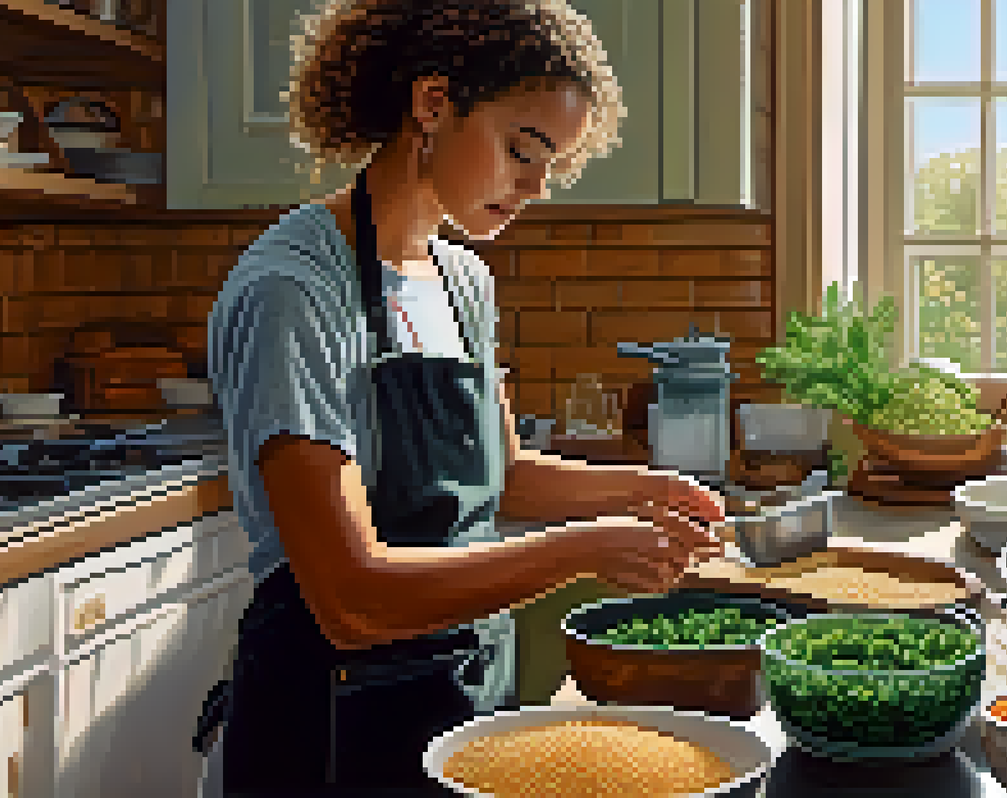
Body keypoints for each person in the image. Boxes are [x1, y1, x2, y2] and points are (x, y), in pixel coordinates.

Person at [203, 1, 724, 792]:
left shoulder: (462, 282)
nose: (537, 185)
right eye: (523, 148)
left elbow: (502, 474)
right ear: (433, 104)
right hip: (327, 733)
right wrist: (586, 548)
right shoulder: (295, 290)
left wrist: (645, 490)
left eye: (554, 164)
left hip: (458, 705)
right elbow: (351, 598)